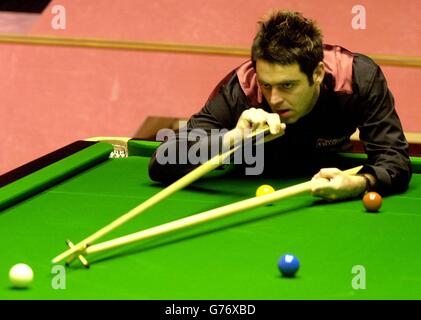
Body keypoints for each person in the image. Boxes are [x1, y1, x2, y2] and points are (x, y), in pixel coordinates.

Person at [148, 10, 411, 200]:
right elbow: (161, 161)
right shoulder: (243, 88)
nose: (273, 99)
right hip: (254, 175)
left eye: (287, 86)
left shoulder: (356, 79)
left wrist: (359, 183)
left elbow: (394, 160)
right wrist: (233, 138)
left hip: (327, 179)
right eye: (267, 85)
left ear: (317, 74)